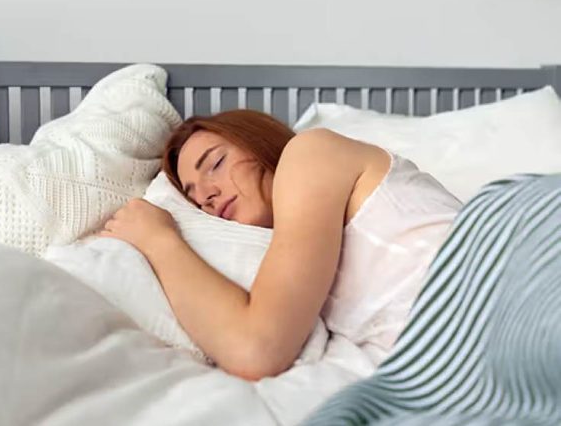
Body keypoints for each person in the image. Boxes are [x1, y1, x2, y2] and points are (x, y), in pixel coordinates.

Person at [100, 109, 462, 381]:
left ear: (260, 141)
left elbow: (255, 348)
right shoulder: (296, 254)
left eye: (216, 163)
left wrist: (159, 240)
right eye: (194, 200)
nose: (207, 196)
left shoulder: (310, 152)